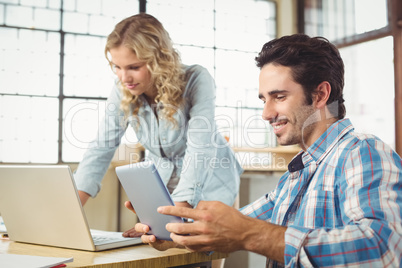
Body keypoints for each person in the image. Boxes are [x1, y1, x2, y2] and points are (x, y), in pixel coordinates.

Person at [135, 33, 402, 267]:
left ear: (320, 95)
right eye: (264, 99)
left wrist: (252, 234)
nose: (266, 113)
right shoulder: (292, 181)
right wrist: (170, 231)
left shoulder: (362, 152)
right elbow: (228, 229)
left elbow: (383, 249)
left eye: (280, 97)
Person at [73, 13, 242, 235]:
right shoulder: (123, 88)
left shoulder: (196, 79)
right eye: (117, 67)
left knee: (198, 256)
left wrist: (175, 216)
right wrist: (72, 208)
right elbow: (101, 146)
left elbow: (201, 146)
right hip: (162, 188)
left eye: (134, 67)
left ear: (157, 60)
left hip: (210, 183)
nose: (124, 77)